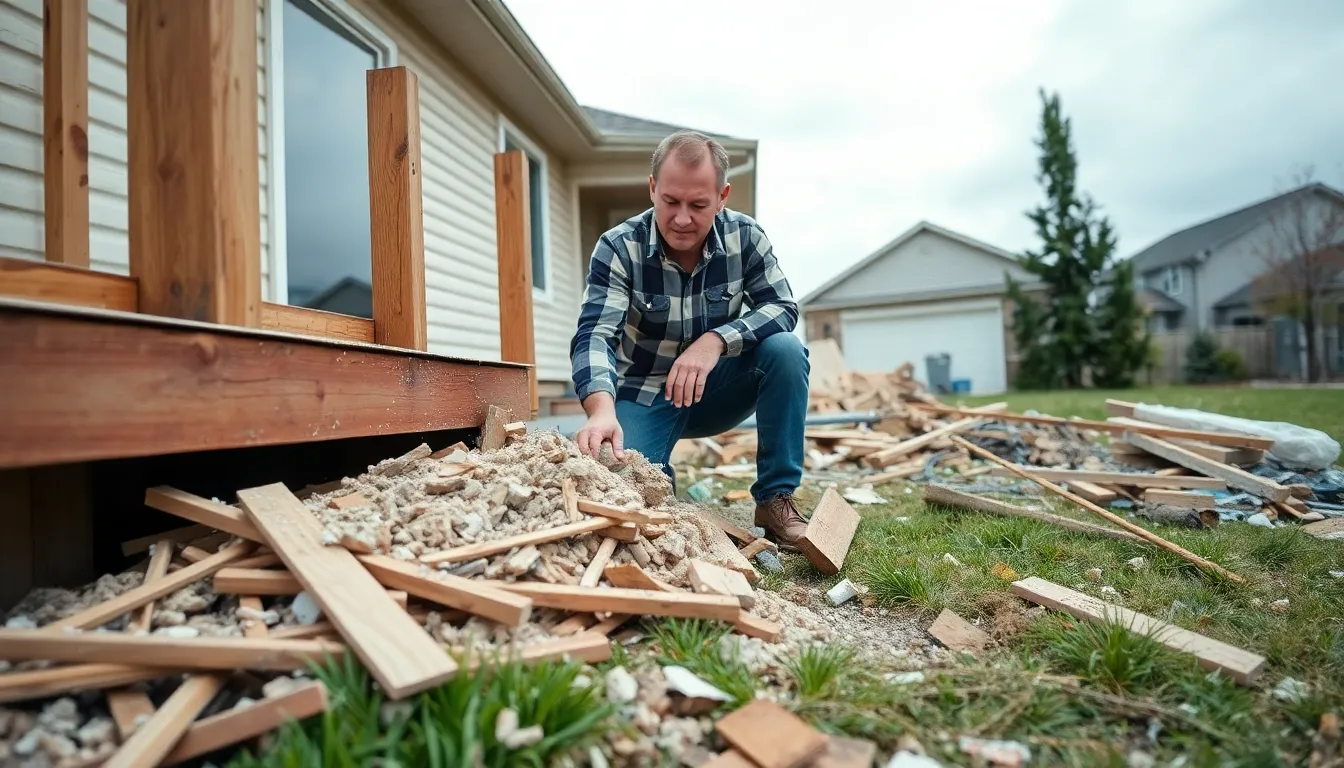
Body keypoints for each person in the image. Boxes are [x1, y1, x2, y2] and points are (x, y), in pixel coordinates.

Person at [568, 130, 812, 546]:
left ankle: (775, 497)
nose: (682, 219)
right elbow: (595, 333)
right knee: (636, 494)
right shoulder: (618, 247)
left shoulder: (746, 238)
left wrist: (715, 340)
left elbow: (783, 308)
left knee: (786, 350)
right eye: (670, 202)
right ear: (652, 188)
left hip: (716, 391)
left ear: (722, 196)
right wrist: (601, 409)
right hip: (643, 394)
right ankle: (662, 484)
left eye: (699, 205)